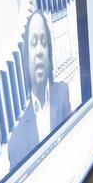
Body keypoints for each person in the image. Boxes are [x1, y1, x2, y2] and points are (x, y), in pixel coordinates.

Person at [9, 10, 71, 168]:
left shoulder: (63, 93)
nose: (39, 51)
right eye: (33, 43)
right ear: (26, 58)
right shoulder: (17, 140)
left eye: (44, 43)